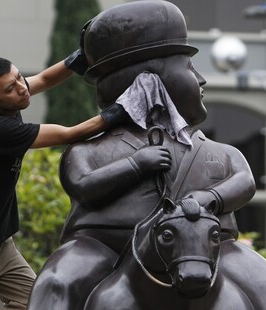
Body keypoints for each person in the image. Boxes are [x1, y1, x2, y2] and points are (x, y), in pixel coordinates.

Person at [28, 1, 266, 310]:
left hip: (207, 248)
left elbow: (244, 181)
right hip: (104, 245)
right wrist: (135, 164)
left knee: (261, 281)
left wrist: (210, 198)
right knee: (56, 284)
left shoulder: (218, 152)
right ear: (148, 82)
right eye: (190, 69)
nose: (202, 81)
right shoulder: (89, 152)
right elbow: (83, 184)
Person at [0, 49, 127, 310]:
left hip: (0, 243)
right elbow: (70, 133)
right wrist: (120, 111)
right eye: (11, 88)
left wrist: (76, 59)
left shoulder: (5, 97)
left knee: (39, 304)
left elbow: (44, 80)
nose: (22, 89)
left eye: (19, 78)